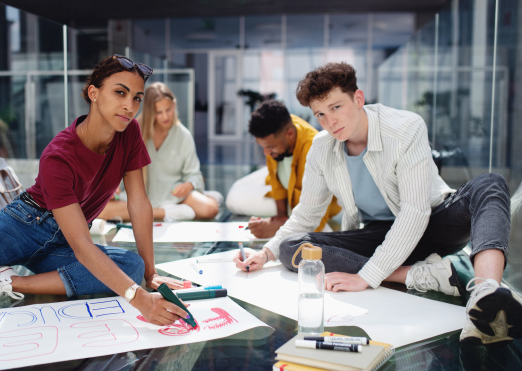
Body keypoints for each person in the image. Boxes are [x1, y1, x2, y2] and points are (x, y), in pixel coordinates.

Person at [235, 62, 522, 346]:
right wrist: (266, 253)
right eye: (320, 114)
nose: (330, 121)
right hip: (379, 233)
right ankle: (420, 275)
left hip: (434, 222)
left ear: (358, 99)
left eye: (336, 107)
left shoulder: (405, 127)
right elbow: (307, 214)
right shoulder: (322, 148)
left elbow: (414, 212)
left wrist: (367, 275)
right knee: (292, 247)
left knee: (490, 183)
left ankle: (485, 294)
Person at [0, 55, 189, 327]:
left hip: (65, 240)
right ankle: (9, 271)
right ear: (93, 93)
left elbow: (139, 203)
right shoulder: (58, 155)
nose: (129, 106)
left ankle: (8, 283)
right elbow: (84, 247)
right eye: (120, 92)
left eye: (137, 98)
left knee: (132, 267)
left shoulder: (129, 132)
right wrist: (140, 299)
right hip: (25, 224)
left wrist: (150, 274)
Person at [98, 82, 220, 222]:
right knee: (100, 209)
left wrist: (188, 185)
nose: (165, 116)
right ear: (150, 112)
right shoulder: (132, 132)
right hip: (135, 199)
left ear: (174, 105)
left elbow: (194, 174)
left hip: (174, 197)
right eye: (159, 112)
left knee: (211, 208)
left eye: (168, 109)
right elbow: (115, 171)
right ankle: (164, 213)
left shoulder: (183, 135)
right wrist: (113, 190)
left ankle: (153, 212)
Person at [226, 100, 341, 239]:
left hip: (309, 205)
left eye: (270, 147)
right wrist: (280, 217)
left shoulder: (314, 151)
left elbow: (317, 217)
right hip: (286, 192)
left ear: (290, 134)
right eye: (263, 147)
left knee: (234, 199)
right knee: (237, 189)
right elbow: (275, 181)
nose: (265, 153)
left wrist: (279, 228)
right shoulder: (278, 132)